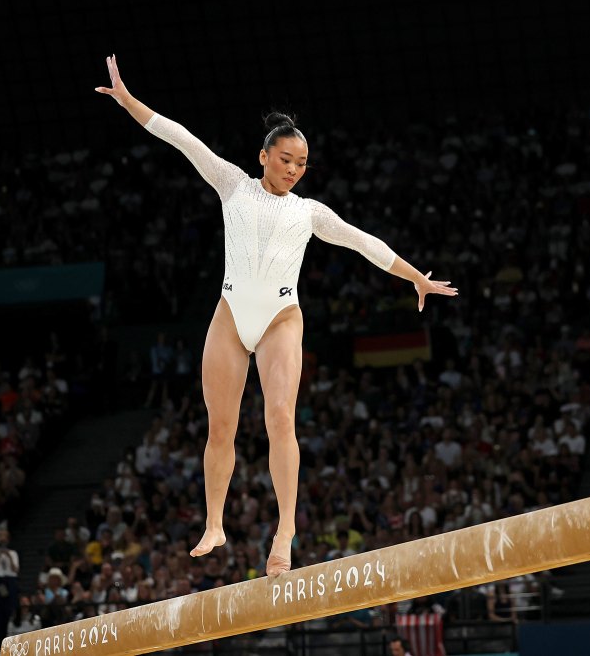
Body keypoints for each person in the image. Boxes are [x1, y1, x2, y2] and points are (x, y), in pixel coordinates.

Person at [96, 55, 457, 575]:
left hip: (280, 321)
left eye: (302, 164)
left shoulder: (309, 213)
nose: (293, 169)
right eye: (286, 158)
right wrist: (129, 102)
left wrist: (415, 276)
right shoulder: (232, 185)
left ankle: (285, 530)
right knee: (220, 428)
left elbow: (365, 243)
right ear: (264, 155)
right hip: (230, 316)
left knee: (280, 418)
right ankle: (215, 523)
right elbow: (180, 138)